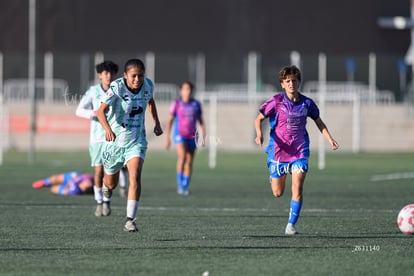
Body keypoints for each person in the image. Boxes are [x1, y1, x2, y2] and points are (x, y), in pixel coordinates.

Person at [254, 65, 339, 235]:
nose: (291, 83)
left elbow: (318, 122)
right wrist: (259, 135)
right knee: (278, 193)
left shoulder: (307, 103)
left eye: (294, 80)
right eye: (288, 81)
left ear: (299, 82)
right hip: (278, 151)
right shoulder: (276, 101)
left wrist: (330, 139)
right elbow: (259, 118)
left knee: (297, 187)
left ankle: (290, 225)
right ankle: (274, 177)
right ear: (282, 84)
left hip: (299, 152)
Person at [96, 58, 163, 232]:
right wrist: (108, 129)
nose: (137, 79)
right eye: (133, 76)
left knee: (135, 176)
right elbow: (100, 112)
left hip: (136, 141)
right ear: (125, 75)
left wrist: (157, 122)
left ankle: (130, 220)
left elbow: (150, 101)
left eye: (140, 76)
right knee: (111, 184)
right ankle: (106, 186)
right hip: (114, 143)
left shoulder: (148, 85)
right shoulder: (117, 87)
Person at [76, 60, 129, 218]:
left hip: (114, 137)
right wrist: (94, 113)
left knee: (111, 171)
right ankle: (100, 202)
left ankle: (108, 199)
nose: (109, 76)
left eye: (111, 73)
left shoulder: (119, 90)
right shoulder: (93, 91)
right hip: (98, 139)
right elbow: (79, 110)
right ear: (100, 75)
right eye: (105, 73)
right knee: (98, 171)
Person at [165, 81, 205, 195]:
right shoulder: (177, 103)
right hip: (179, 135)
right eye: (185, 89)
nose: (188, 91)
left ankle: (185, 186)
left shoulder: (196, 104)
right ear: (181, 91)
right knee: (182, 157)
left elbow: (201, 121)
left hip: (192, 136)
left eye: (190, 89)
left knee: (189, 161)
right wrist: (167, 137)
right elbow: (170, 121)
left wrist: (203, 136)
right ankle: (180, 185)